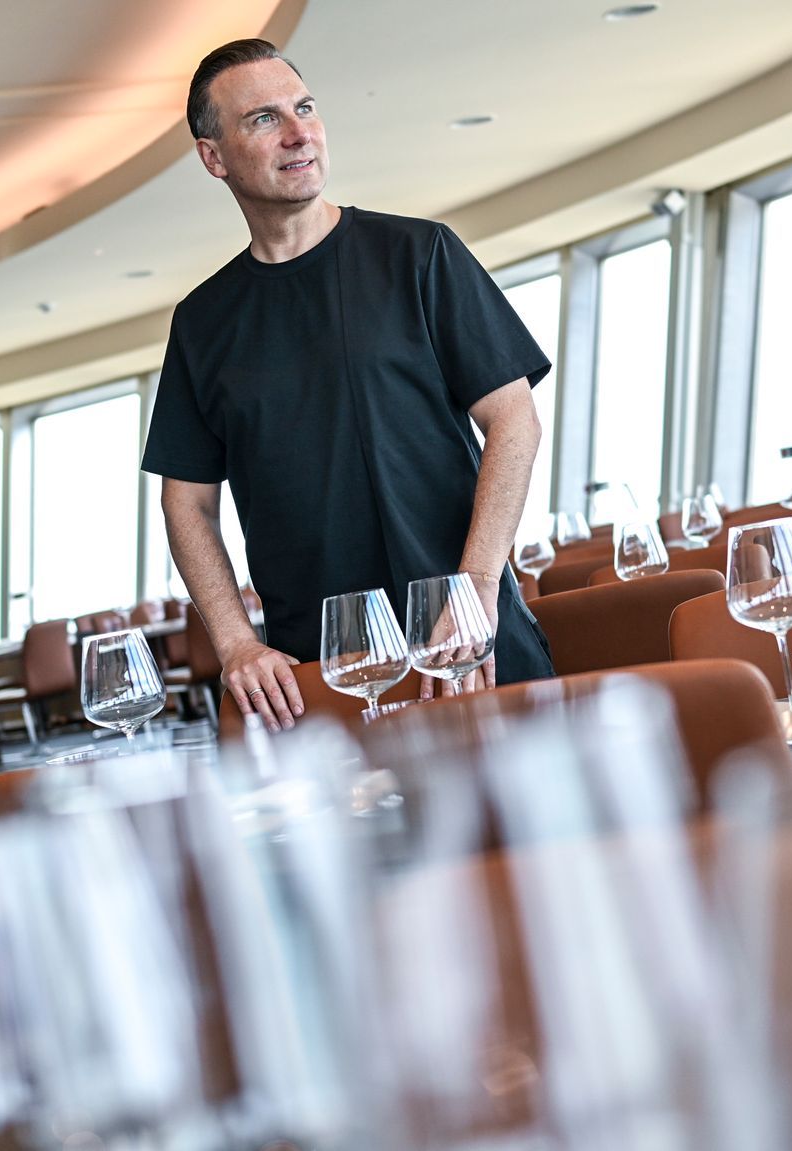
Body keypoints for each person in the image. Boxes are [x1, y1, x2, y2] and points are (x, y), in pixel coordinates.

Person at [141, 38, 554, 731]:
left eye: (304, 109)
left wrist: (480, 586)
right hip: (324, 680)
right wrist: (237, 641)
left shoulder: (420, 256)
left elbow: (515, 419)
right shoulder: (202, 324)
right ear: (214, 157)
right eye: (263, 119)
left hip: (471, 641)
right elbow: (186, 504)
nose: (300, 132)